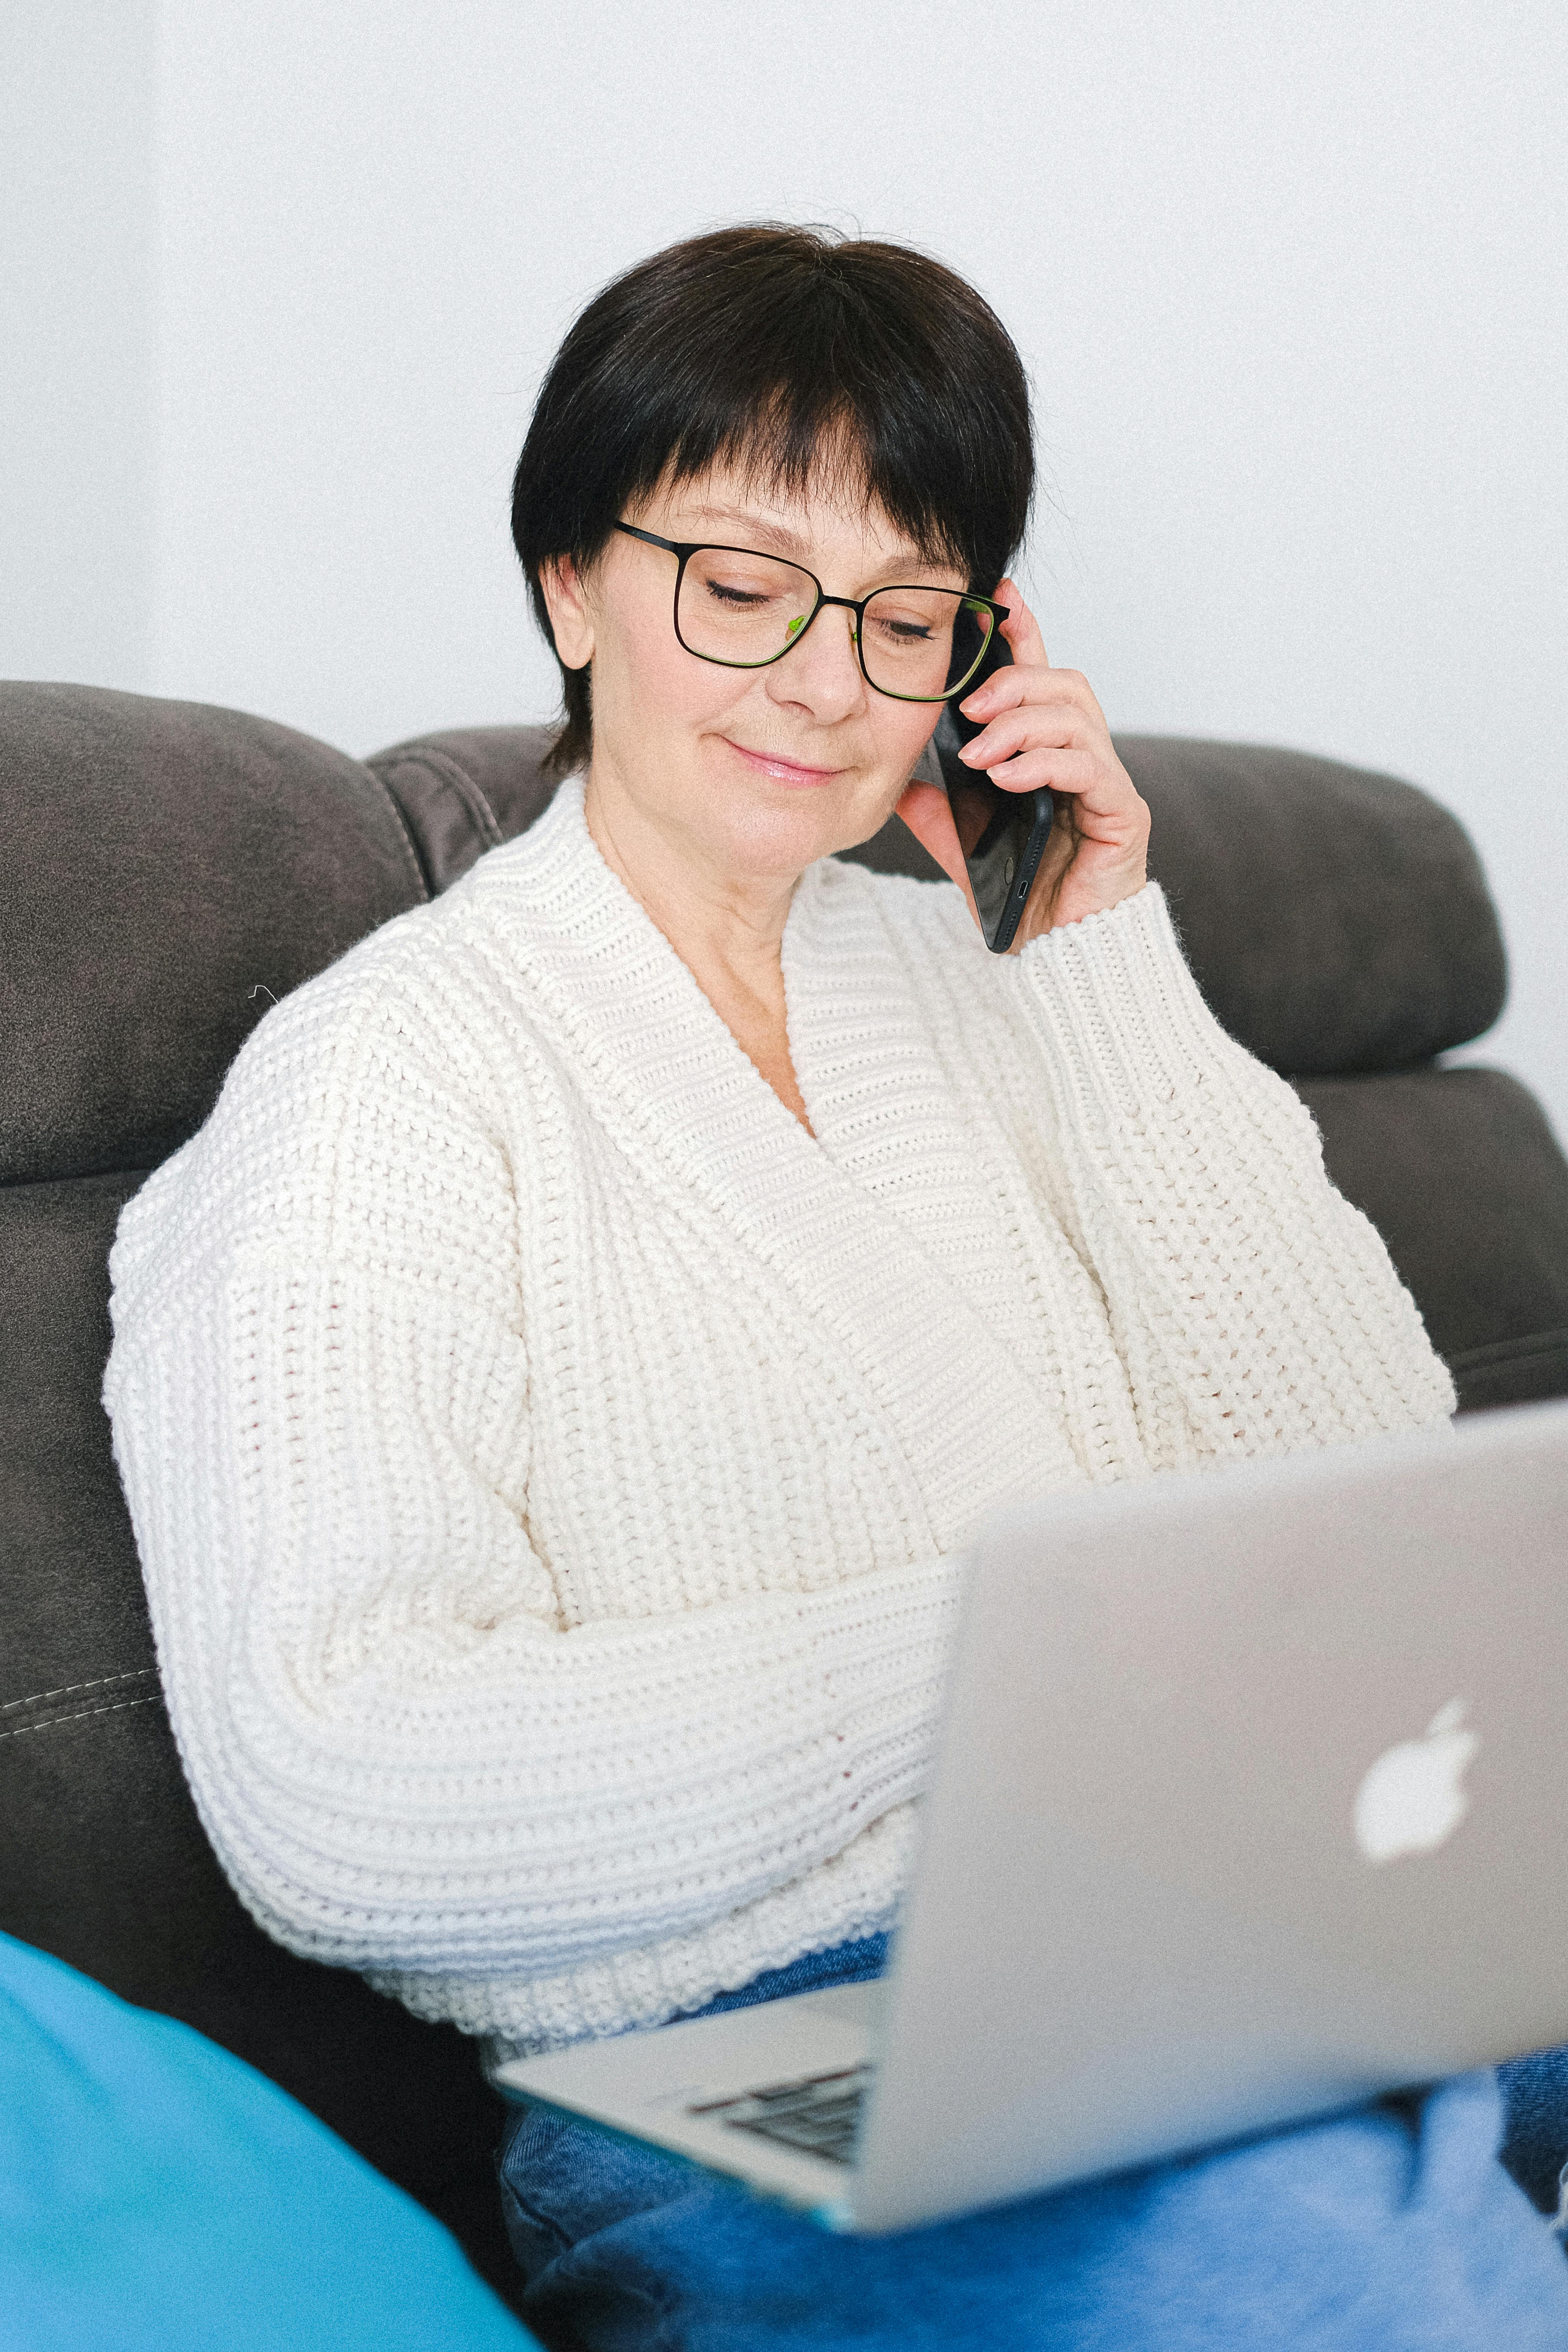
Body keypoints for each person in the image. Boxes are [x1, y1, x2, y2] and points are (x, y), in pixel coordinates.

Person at [103, 225, 1568, 2347]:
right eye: (740, 585)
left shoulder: (994, 984)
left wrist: (1100, 965)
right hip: (764, 2058)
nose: (823, 680)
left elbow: (1366, 1515)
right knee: (1317, 2272)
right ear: (567, 586)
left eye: (904, 614)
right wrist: (1025, 1641)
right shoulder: (385, 1084)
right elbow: (347, 1787)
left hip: (1250, 1947)